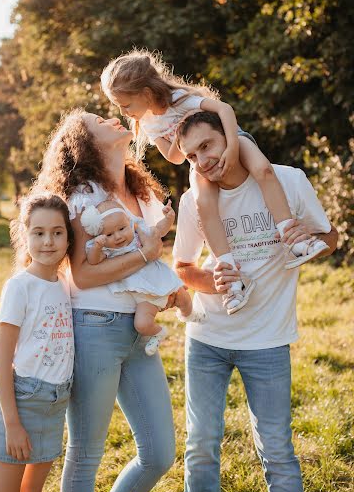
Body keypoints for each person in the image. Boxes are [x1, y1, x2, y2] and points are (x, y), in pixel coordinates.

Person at [172, 111, 338, 492]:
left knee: (277, 450)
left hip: (267, 341)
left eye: (208, 146)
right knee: (202, 444)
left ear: (229, 137)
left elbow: (330, 237)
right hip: (208, 338)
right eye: (192, 155)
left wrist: (311, 240)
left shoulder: (287, 180)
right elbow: (182, 267)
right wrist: (215, 281)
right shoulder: (195, 200)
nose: (203, 160)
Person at [33, 108, 175, 492]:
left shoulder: (141, 191)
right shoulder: (81, 194)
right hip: (94, 325)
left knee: (159, 453)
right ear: (85, 141)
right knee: (86, 454)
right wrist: (149, 256)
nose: (112, 118)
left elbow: (145, 256)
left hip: (138, 331)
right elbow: (84, 275)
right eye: (98, 119)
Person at [101, 50, 328, 315]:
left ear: (146, 93)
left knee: (264, 171)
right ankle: (231, 277)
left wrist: (232, 147)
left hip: (228, 139)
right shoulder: (148, 123)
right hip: (199, 158)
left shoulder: (179, 99)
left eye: (124, 104)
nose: (122, 111)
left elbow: (224, 109)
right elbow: (175, 158)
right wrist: (179, 132)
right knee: (204, 206)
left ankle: (294, 239)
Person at [0, 194, 75, 492]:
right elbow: (1, 358)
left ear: (68, 238)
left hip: (55, 404)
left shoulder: (65, 285)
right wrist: (12, 424)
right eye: (38, 233)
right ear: (25, 237)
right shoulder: (19, 287)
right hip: (21, 402)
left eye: (56, 233)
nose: (48, 241)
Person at [81, 199, 204, 356]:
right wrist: (97, 246)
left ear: (130, 222)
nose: (118, 236)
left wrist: (169, 219)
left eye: (122, 228)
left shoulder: (139, 234)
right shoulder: (108, 249)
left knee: (184, 299)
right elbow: (93, 261)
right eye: (109, 234)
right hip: (143, 295)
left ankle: (188, 314)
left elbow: (159, 230)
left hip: (161, 279)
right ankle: (158, 333)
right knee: (142, 324)